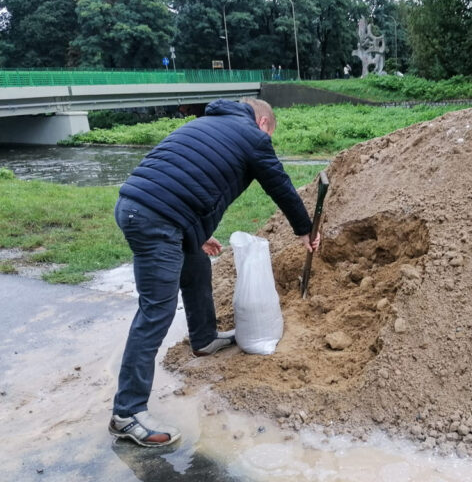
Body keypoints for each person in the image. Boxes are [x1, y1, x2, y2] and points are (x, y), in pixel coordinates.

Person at [108, 97, 319, 447]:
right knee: (155, 312)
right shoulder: (253, 137)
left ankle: (204, 339)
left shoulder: (206, 124)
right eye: (270, 132)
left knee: (196, 261)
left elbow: (184, 175)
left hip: (144, 207)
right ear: (264, 123)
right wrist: (306, 230)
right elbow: (280, 185)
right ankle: (127, 413)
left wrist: (198, 232)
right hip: (154, 219)